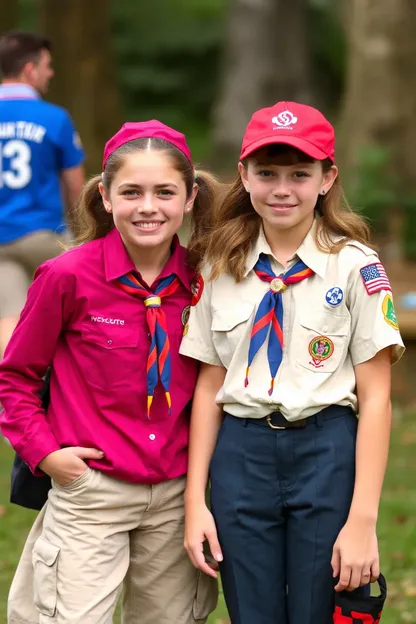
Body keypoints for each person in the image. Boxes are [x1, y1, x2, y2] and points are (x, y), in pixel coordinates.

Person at [180, 101, 405, 623]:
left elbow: (376, 397)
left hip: (325, 451)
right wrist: (197, 500)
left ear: (327, 178)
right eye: (268, 174)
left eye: (300, 174)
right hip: (241, 456)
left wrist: (363, 521)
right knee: (251, 611)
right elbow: (209, 385)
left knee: (318, 610)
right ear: (244, 175)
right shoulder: (219, 264)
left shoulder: (355, 267)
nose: (283, 189)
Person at [0, 120, 218, 623]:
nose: (148, 206)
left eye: (165, 192)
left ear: (188, 198)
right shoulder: (65, 276)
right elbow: (15, 376)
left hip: (176, 495)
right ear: (104, 196)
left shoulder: (206, 280)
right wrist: (47, 455)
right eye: (131, 192)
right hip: (91, 492)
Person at [0, 30, 85, 357]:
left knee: (9, 316)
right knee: (86, 295)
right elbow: (75, 184)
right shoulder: (54, 118)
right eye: (46, 65)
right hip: (43, 236)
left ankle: (10, 397)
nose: (51, 73)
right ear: (29, 70)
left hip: (1, 240)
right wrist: (83, 233)